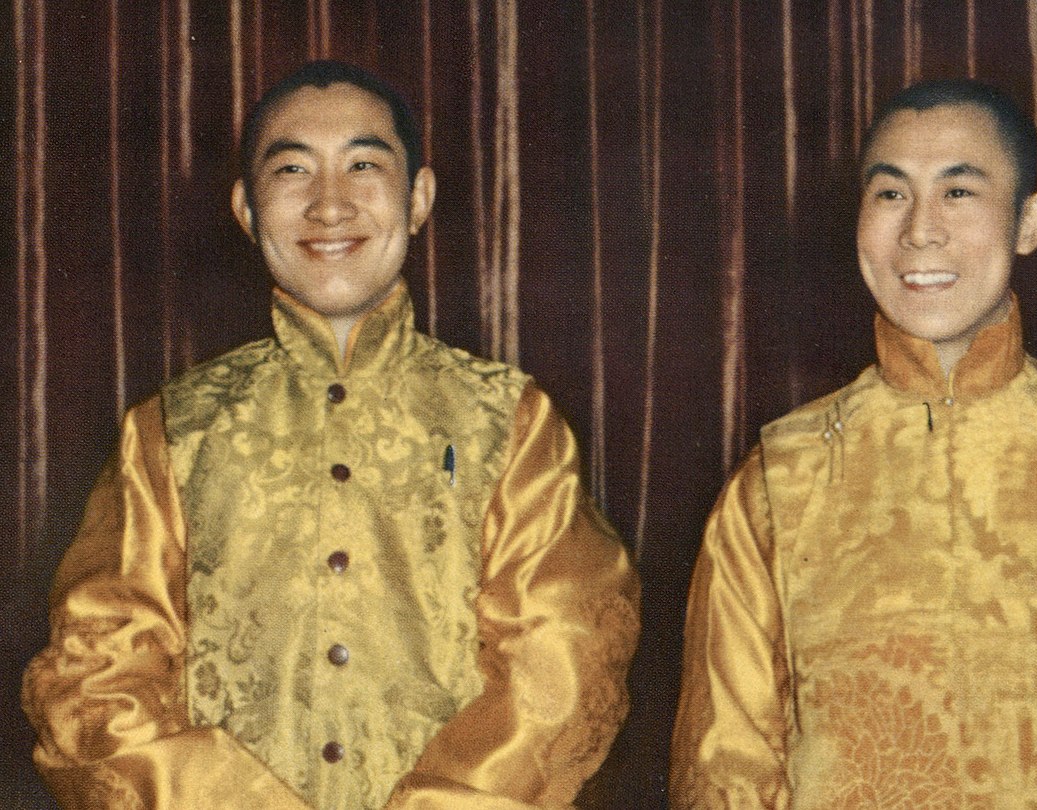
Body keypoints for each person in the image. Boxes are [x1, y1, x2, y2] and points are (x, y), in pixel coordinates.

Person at [23, 60, 640, 810]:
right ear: (247, 210)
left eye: (362, 164)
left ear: (418, 198)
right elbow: (96, 678)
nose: (329, 203)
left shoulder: (511, 420)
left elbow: (561, 666)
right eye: (291, 169)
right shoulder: (171, 431)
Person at [670, 79, 1037, 808]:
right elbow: (726, 765)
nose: (919, 231)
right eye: (890, 194)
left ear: (1028, 221)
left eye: (959, 192)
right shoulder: (779, 476)